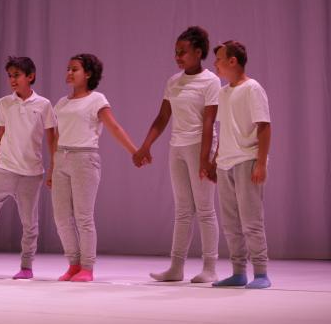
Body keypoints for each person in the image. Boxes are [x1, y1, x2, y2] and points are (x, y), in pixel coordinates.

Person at [133, 26, 220, 283]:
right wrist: (145, 145)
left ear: (198, 52)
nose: (178, 56)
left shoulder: (211, 81)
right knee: (182, 210)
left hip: (200, 146)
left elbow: (209, 122)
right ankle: (176, 267)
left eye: (183, 52)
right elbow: (162, 117)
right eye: (176, 52)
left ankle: (210, 267)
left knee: (204, 209)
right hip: (177, 147)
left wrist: (205, 159)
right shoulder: (173, 81)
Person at [52, 53, 137, 282]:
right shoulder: (61, 103)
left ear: (88, 74)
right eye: (68, 68)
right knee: (61, 216)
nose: (69, 73)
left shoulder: (97, 99)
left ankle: (87, 267)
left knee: (83, 216)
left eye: (75, 69)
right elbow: (56, 136)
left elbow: (114, 127)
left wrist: (134, 151)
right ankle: (73, 263)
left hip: (84, 159)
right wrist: (52, 166)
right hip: (62, 158)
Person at [0, 57, 56, 280]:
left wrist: (53, 169)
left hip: (31, 173)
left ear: (30, 76)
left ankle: (27, 266)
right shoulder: (4, 103)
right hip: (5, 169)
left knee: (29, 223)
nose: (12, 80)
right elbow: (0, 136)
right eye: (9, 76)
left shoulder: (44, 104)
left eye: (16, 75)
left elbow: (51, 140)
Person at [211, 41, 272, 289]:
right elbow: (224, 127)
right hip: (225, 163)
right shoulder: (223, 92)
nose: (215, 64)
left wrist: (261, 163)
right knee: (230, 222)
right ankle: (238, 271)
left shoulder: (252, 88)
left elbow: (264, 126)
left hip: (247, 160)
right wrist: (215, 158)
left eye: (219, 59)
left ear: (232, 60)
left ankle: (260, 272)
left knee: (251, 219)